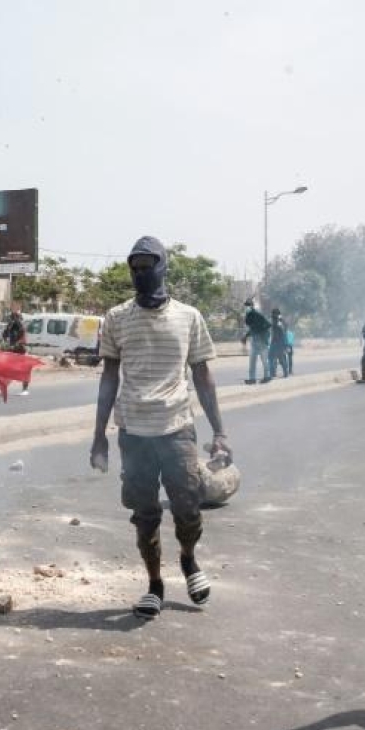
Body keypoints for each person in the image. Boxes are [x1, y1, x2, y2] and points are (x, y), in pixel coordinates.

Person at [90, 235, 231, 620]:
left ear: (163, 266)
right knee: (144, 512)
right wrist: (99, 435)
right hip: (134, 433)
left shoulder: (189, 317)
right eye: (134, 268)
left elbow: (203, 376)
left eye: (147, 266)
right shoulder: (116, 319)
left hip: (177, 428)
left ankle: (188, 558)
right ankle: (154, 583)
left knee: (187, 507)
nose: (140, 274)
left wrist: (219, 432)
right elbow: (108, 379)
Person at [1, 304, 31, 396]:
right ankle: (3, 388)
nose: (13, 318)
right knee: (8, 369)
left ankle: (25, 390)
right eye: (12, 316)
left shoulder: (20, 325)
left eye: (15, 316)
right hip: (12, 350)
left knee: (24, 370)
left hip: (21, 350)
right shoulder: (11, 325)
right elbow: (5, 334)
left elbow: (22, 336)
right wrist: (5, 339)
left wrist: (16, 344)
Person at [240, 299, 271, 384]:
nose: (246, 307)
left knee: (264, 361)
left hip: (262, 341)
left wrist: (262, 334)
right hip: (254, 341)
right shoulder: (248, 315)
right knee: (252, 360)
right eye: (246, 306)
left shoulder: (258, 315)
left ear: (252, 306)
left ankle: (267, 377)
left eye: (248, 305)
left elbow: (268, 325)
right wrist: (245, 337)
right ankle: (252, 379)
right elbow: (252, 328)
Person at [268, 307, 290, 379]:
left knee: (274, 358)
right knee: (279, 358)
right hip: (279, 342)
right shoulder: (280, 321)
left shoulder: (277, 321)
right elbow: (285, 328)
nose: (272, 315)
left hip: (278, 342)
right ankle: (284, 373)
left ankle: (273, 374)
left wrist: (279, 319)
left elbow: (282, 330)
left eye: (273, 314)